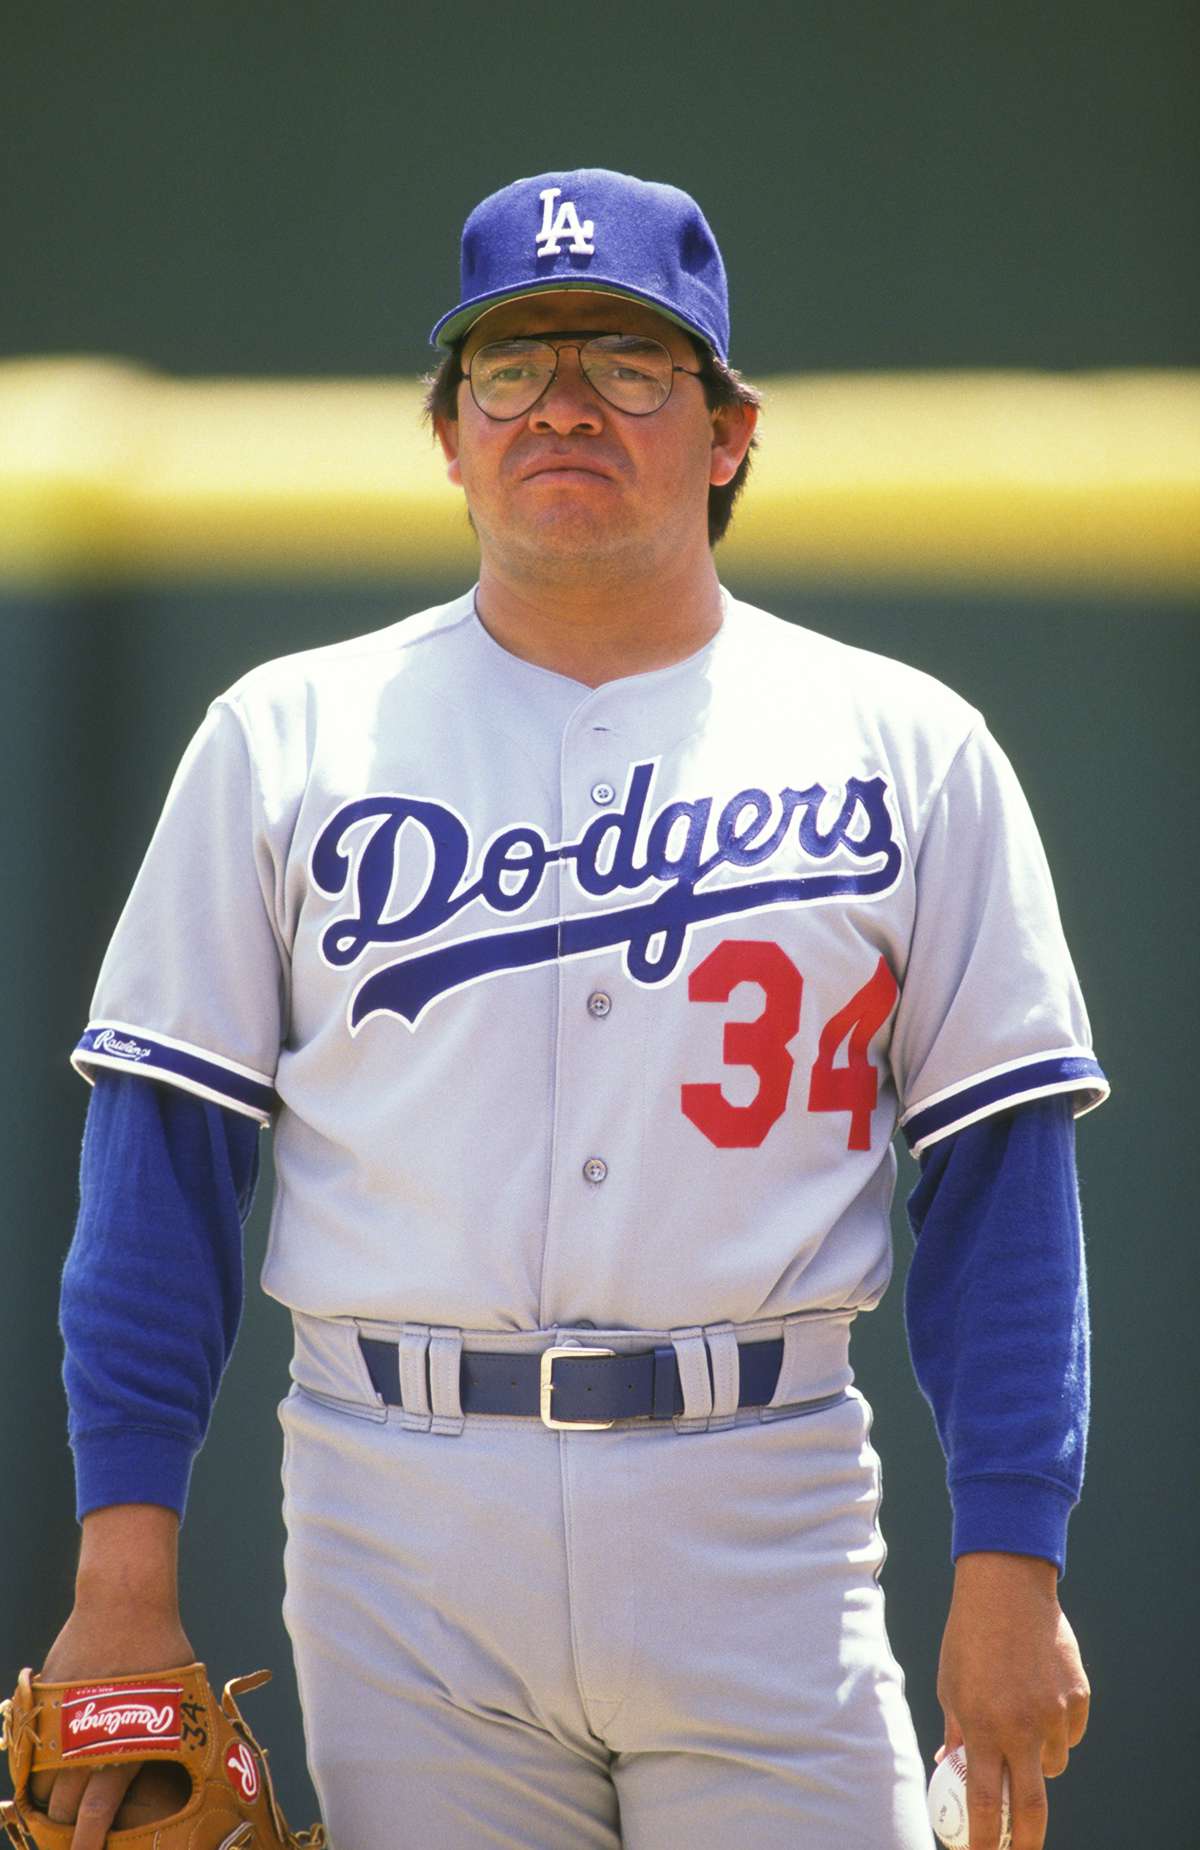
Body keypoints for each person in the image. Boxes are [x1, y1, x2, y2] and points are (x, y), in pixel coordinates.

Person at [41, 169, 1104, 1850]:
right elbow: (158, 1180)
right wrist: (120, 1583)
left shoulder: (909, 746)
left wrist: (1011, 1571)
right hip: (401, 1512)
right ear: (450, 438)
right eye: (512, 366)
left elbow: (1004, 1193)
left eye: (626, 361)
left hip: (761, 1501)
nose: (565, 405)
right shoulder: (285, 737)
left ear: (731, 429)